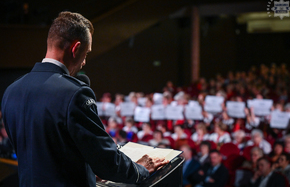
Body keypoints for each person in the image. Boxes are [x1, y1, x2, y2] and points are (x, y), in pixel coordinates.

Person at [1, 12, 168, 187]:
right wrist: (140, 169)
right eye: (86, 53)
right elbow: (105, 161)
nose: (84, 62)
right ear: (75, 48)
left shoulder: (11, 91)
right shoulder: (74, 93)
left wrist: (86, 171)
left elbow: (40, 155)